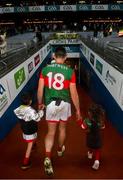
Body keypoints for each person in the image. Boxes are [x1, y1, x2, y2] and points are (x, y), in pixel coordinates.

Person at [37, 46, 81, 175]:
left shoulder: (44, 70)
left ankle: (47, 156)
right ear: (66, 57)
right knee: (62, 129)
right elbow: (74, 94)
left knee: (50, 132)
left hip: (50, 105)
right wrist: (78, 110)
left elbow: (40, 90)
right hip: (65, 105)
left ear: (54, 56)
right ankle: (60, 149)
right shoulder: (70, 72)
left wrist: (40, 103)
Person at [14, 92, 44, 170]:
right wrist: (41, 110)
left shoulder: (19, 108)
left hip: (24, 129)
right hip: (30, 130)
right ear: (30, 101)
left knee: (31, 140)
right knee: (29, 146)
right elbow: (37, 118)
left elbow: (27, 115)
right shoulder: (31, 110)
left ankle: (33, 145)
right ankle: (25, 163)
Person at [77, 104, 105, 170]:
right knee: (97, 149)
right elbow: (103, 127)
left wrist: (79, 121)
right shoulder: (100, 121)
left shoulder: (87, 120)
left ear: (91, 113)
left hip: (90, 138)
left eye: (89, 111)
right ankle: (97, 161)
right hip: (97, 137)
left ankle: (90, 153)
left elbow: (83, 127)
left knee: (90, 146)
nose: (88, 112)